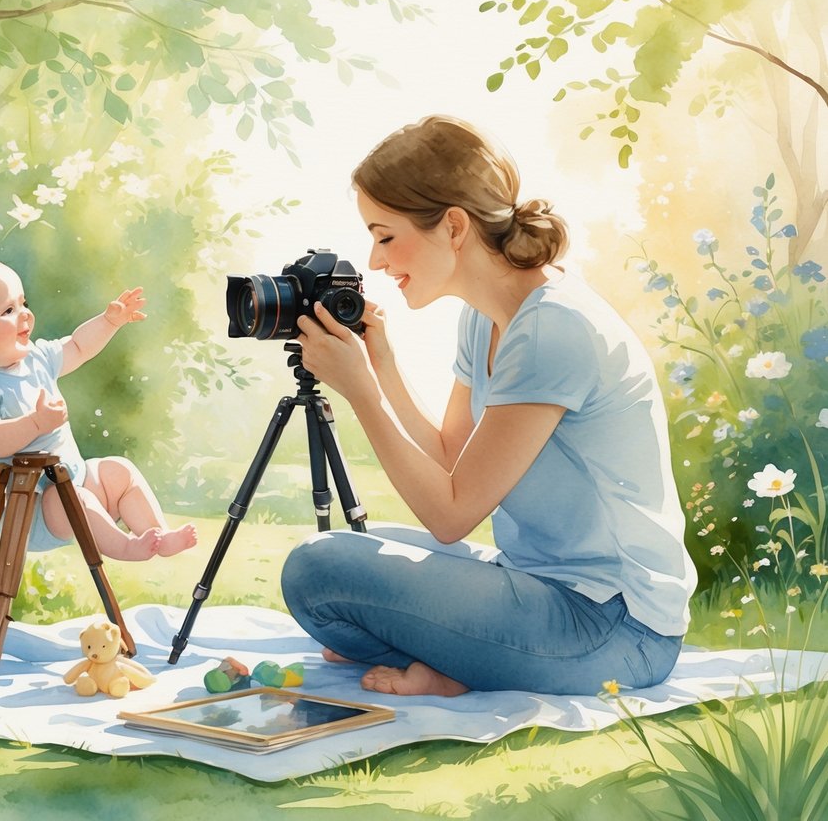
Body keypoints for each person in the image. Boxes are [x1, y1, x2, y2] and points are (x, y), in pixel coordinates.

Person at [283, 115, 696, 697]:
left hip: (616, 626)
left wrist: (362, 394)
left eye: (384, 235)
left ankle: (462, 661)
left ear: (453, 226)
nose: (375, 262)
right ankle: (463, 662)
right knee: (338, 562)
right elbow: (455, 458)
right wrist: (382, 367)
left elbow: (451, 518)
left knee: (317, 570)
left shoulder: (553, 327)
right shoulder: (486, 317)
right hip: (533, 583)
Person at [0, 254, 197, 561]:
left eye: (24, 303)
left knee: (118, 470)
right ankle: (126, 547)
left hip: (72, 479)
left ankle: (156, 534)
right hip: (33, 509)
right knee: (77, 497)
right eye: (9, 310)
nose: (25, 315)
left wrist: (109, 322)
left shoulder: (33, 358)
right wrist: (35, 423)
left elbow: (77, 346)